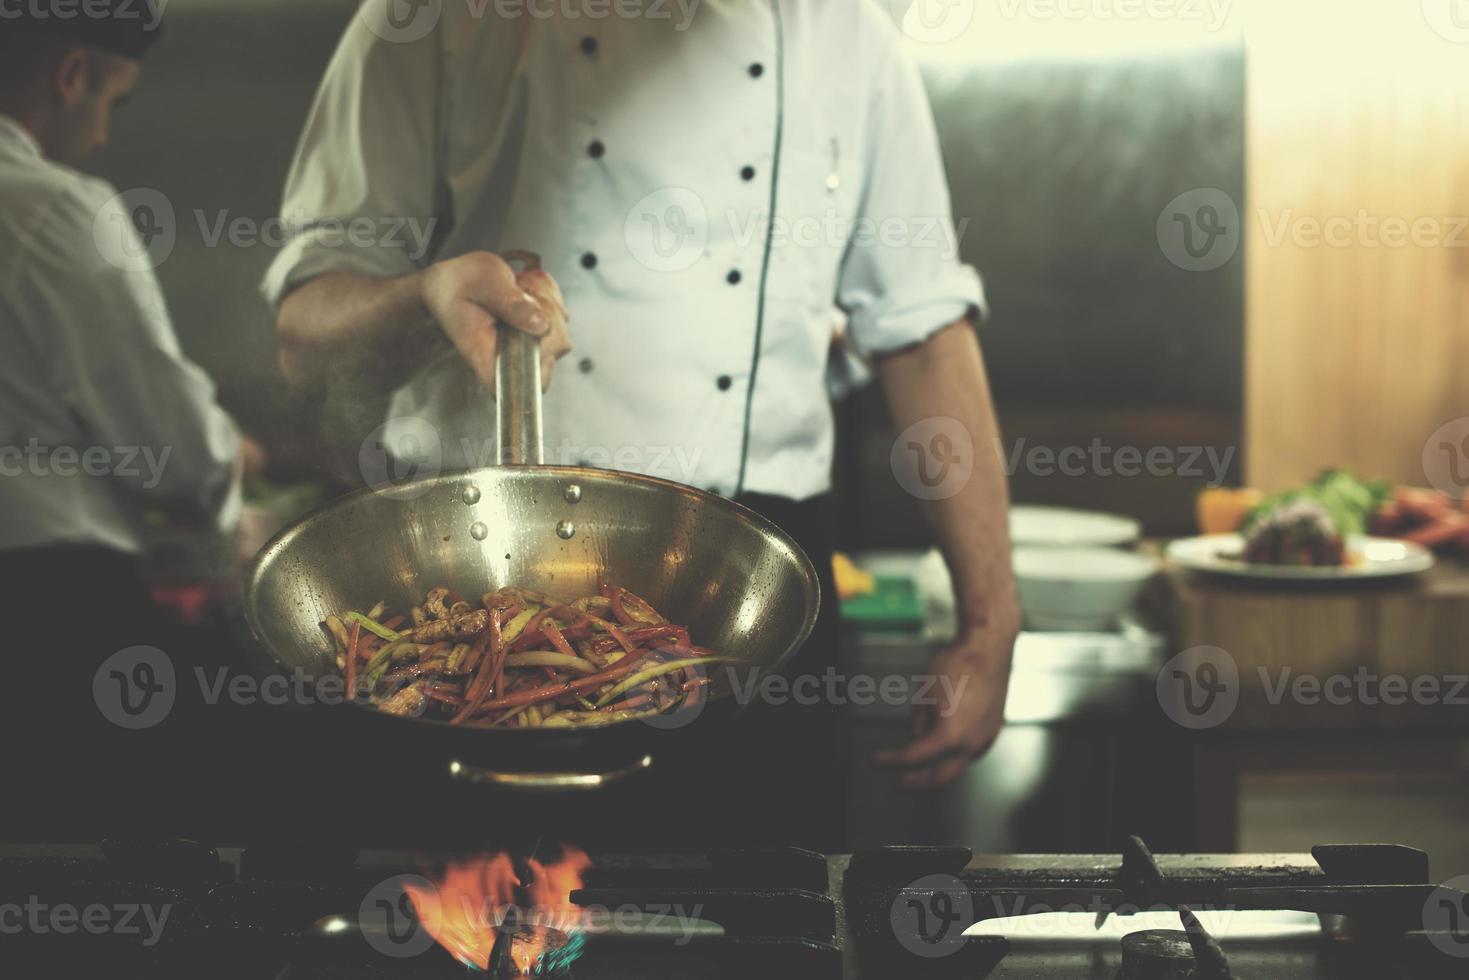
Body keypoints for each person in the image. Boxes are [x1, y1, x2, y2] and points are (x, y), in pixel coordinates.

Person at [265, 1, 1018, 850]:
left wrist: (990, 620)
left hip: (749, 608)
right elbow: (307, 334)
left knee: (760, 935)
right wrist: (422, 300)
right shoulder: (430, 17)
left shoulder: (843, 32)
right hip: (470, 583)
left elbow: (922, 336)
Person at [0, 3, 255, 837]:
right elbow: (173, 450)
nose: (104, 135)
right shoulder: (51, 207)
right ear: (71, 76)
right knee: (133, 863)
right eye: (112, 101)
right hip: (45, 614)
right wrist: (229, 480)